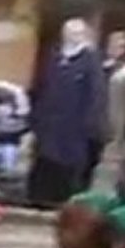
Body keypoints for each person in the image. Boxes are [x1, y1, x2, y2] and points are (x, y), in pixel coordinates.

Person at [28, 19, 106, 206]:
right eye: (69, 32)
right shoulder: (53, 57)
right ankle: (39, 200)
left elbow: (96, 94)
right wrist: (35, 120)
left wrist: (91, 124)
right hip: (48, 124)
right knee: (44, 163)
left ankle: (63, 203)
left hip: (75, 127)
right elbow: (41, 88)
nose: (73, 36)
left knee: (69, 167)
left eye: (78, 32)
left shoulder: (90, 61)